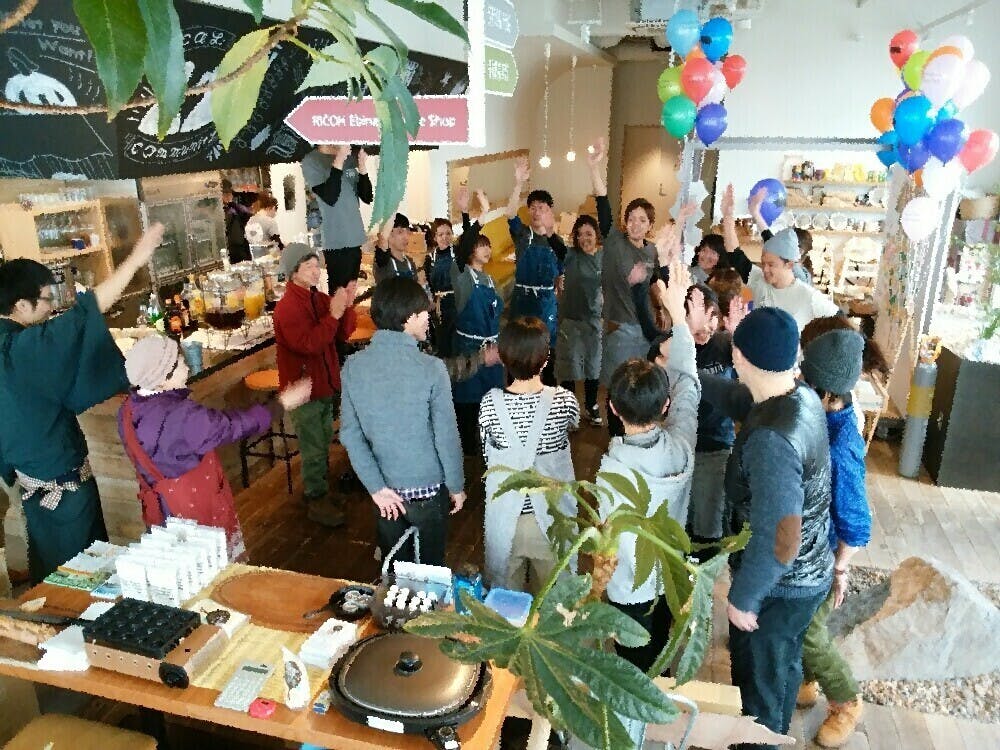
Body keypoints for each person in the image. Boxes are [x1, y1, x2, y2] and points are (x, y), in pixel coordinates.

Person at [698, 306, 834, 749]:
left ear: (738, 357)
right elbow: (743, 401)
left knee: (759, 691)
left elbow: (783, 538)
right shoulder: (799, 395)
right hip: (808, 574)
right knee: (781, 669)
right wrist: (690, 378)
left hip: (782, 586)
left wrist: (744, 597)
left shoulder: (773, 441)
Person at [0, 224, 164, 582]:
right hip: (64, 487)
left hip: (29, 486)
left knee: (53, 574)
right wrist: (136, 258)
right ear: (21, 306)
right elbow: (85, 313)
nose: (52, 308)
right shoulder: (23, 348)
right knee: (83, 573)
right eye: (47, 300)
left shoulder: (12, 344)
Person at [596, 261, 702, 673]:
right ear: (665, 405)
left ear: (612, 408)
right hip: (671, 574)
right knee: (662, 654)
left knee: (631, 667)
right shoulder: (683, 446)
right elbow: (688, 382)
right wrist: (680, 320)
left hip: (630, 587)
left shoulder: (611, 470)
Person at [118, 336, 311, 562]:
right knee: (211, 565)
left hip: (161, 508)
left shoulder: (128, 409)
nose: (187, 367)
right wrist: (281, 404)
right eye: (180, 363)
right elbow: (232, 426)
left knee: (179, 568)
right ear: (161, 381)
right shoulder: (183, 416)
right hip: (196, 507)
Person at [795, 322, 884, 748]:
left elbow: (856, 520)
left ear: (830, 395)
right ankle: (807, 677)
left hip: (826, 553)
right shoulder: (821, 416)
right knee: (805, 624)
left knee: (813, 633)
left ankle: (847, 701)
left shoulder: (843, 444)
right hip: (806, 545)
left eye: (807, 383)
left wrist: (841, 568)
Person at [339, 277, 466, 566]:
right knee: (430, 572)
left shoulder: (353, 367)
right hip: (428, 489)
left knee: (395, 571)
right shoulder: (432, 368)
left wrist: (375, 487)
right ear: (408, 318)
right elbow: (445, 435)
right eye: (423, 313)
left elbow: (351, 435)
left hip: (385, 493)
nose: (428, 319)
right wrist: (456, 485)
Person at [589, 137, 694, 436]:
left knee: (640, 386)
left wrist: (680, 220)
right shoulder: (614, 242)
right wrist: (594, 167)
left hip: (645, 330)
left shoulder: (650, 251)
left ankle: (638, 433)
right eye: (631, 219)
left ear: (649, 224)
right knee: (617, 386)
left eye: (642, 220)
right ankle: (616, 437)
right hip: (620, 329)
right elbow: (602, 203)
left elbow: (662, 274)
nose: (636, 224)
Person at [480, 317, 579, 592]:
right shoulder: (565, 401)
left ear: (503, 359)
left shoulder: (489, 404)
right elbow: (572, 427)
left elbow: (488, 454)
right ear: (546, 359)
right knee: (554, 602)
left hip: (505, 522)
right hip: (552, 520)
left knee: (506, 606)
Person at [272, 243, 357, 527]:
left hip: (324, 384)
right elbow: (308, 344)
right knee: (313, 448)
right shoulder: (286, 308)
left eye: (316, 265)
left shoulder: (317, 298)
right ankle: (315, 498)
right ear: (293, 272)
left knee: (322, 441)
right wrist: (334, 315)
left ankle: (321, 492)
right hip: (303, 392)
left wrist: (347, 306)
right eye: (308, 266)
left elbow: (343, 333)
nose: (315, 270)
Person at [720, 184, 838, 330]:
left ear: (789, 264)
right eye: (763, 263)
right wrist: (728, 216)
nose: (765, 269)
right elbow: (734, 254)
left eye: (771, 264)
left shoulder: (808, 296)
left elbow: (841, 323)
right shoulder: (759, 280)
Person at [685, 285, 746, 556]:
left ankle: (702, 567)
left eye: (711, 316)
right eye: (697, 316)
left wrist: (740, 338)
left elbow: (750, 371)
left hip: (717, 444)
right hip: (681, 443)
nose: (704, 326)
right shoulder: (674, 344)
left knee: (709, 520)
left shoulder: (724, 344)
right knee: (683, 515)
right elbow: (657, 357)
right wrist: (685, 333)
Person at [451, 208, 506, 456]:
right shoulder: (462, 277)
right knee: (468, 400)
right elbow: (461, 249)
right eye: (481, 245)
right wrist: (474, 216)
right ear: (470, 250)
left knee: (492, 399)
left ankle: (490, 444)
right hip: (469, 348)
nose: (487, 249)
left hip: (492, 349)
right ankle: (466, 445)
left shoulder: (491, 280)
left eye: (488, 245)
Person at [504, 156, 567, 365]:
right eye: (532, 207)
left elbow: (562, 273)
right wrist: (518, 183)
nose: (537, 211)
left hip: (545, 303)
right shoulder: (522, 234)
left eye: (542, 207)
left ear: (550, 211)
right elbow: (510, 214)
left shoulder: (557, 242)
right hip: (522, 299)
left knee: (545, 349)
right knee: (518, 348)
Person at [300, 144, 372, 293]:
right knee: (339, 295)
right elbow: (330, 196)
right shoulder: (311, 161)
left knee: (351, 293)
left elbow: (367, 196)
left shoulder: (350, 158)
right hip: (336, 241)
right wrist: (339, 160)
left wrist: (362, 166)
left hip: (355, 237)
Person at [555, 211, 604, 426]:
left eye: (589, 234)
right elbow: (556, 246)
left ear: (596, 235)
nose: (584, 238)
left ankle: (591, 405)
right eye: (580, 234)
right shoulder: (570, 255)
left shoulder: (603, 257)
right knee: (570, 366)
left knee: (593, 365)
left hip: (594, 320)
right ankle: (570, 410)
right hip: (571, 320)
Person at [428, 187, 480, 359]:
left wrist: (465, 211)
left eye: (448, 233)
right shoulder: (430, 258)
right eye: (440, 234)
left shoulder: (458, 253)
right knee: (443, 347)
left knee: (460, 345)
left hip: (458, 304)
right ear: (435, 237)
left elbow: (469, 236)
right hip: (439, 308)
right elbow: (428, 284)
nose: (445, 237)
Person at [373, 213, 418, 284]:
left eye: (407, 231)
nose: (406, 237)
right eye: (400, 232)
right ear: (388, 235)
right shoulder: (384, 263)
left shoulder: (410, 262)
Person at [222, 178, 252, 263]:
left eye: (229, 193)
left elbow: (248, 214)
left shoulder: (235, 207)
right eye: (225, 194)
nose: (228, 196)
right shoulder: (221, 211)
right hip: (231, 249)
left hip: (241, 246)